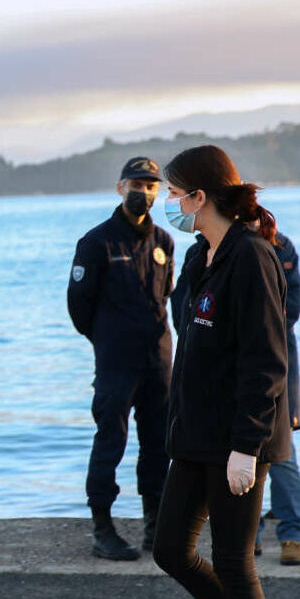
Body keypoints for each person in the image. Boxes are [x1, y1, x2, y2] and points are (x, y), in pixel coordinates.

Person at [151, 145, 300, 599]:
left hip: (239, 437)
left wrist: (247, 445)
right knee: (171, 550)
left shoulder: (252, 256)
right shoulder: (201, 255)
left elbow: (267, 360)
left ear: (200, 197)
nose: (169, 203)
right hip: (196, 434)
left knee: (234, 563)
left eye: (174, 193)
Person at [175, 232, 300, 565]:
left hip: (272, 367)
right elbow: (183, 308)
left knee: (281, 454)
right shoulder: (200, 251)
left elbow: (288, 309)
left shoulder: (276, 247)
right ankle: (254, 535)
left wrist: (240, 331)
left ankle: (292, 534)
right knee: (237, 455)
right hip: (220, 374)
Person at [67, 156, 174, 561]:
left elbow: (167, 294)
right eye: (136, 184)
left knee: (158, 443)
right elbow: (79, 305)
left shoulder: (164, 241)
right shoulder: (97, 242)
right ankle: (103, 529)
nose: (143, 191)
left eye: (150, 185)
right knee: (110, 440)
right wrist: (107, 339)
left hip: (159, 359)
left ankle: (155, 527)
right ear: (120, 188)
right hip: (116, 362)